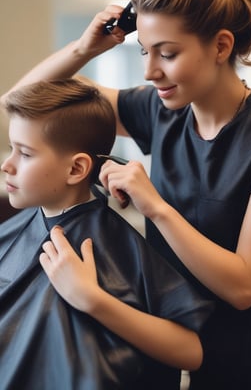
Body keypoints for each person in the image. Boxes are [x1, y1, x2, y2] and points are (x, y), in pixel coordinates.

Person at [1, 0, 251, 390]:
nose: (152, 71)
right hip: (164, 335)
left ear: (221, 46)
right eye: (144, 51)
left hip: (248, 359)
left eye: (168, 53)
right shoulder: (161, 109)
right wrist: (84, 48)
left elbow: (244, 286)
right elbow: (24, 103)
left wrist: (154, 205)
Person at [0, 78, 215, 390]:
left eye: (25, 154)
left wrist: (93, 299)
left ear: (76, 169)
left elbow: (191, 352)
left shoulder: (115, 246)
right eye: (10, 148)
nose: (7, 165)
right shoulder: (12, 232)